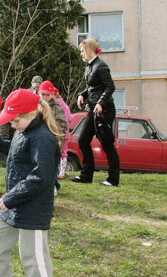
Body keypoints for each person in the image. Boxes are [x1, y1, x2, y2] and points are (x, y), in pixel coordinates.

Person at [0, 88, 60, 277]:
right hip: (15, 203)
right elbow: (17, 154)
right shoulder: (22, 131)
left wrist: (10, 197)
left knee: (33, 257)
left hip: (32, 206)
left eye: (15, 120)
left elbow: (40, 177)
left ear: (31, 115)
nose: (12, 124)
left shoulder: (43, 139)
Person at [72, 38, 120, 187]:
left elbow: (110, 87)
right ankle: (86, 176)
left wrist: (100, 103)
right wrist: (82, 95)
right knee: (82, 141)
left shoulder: (101, 66)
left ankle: (113, 179)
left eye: (82, 50)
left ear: (89, 49)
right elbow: (92, 87)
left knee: (107, 144)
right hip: (92, 110)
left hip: (104, 111)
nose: (80, 53)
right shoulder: (89, 67)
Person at [38, 80, 67, 195]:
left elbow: (62, 124)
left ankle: (53, 185)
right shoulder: (36, 106)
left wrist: (59, 138)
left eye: (47, 94)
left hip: (53, 139)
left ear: (52, 95)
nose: (44, 97)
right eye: (42, 94)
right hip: (39, 140)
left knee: (52, 164)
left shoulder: (57, 108)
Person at [54, 88, 73, 179]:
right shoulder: (65, 105)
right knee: (64, 153)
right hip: (65, 132)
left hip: (56, 132)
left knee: (54, 153)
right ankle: (62, 173)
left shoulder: (54, 105)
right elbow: (70, 119)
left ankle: (55, 172)